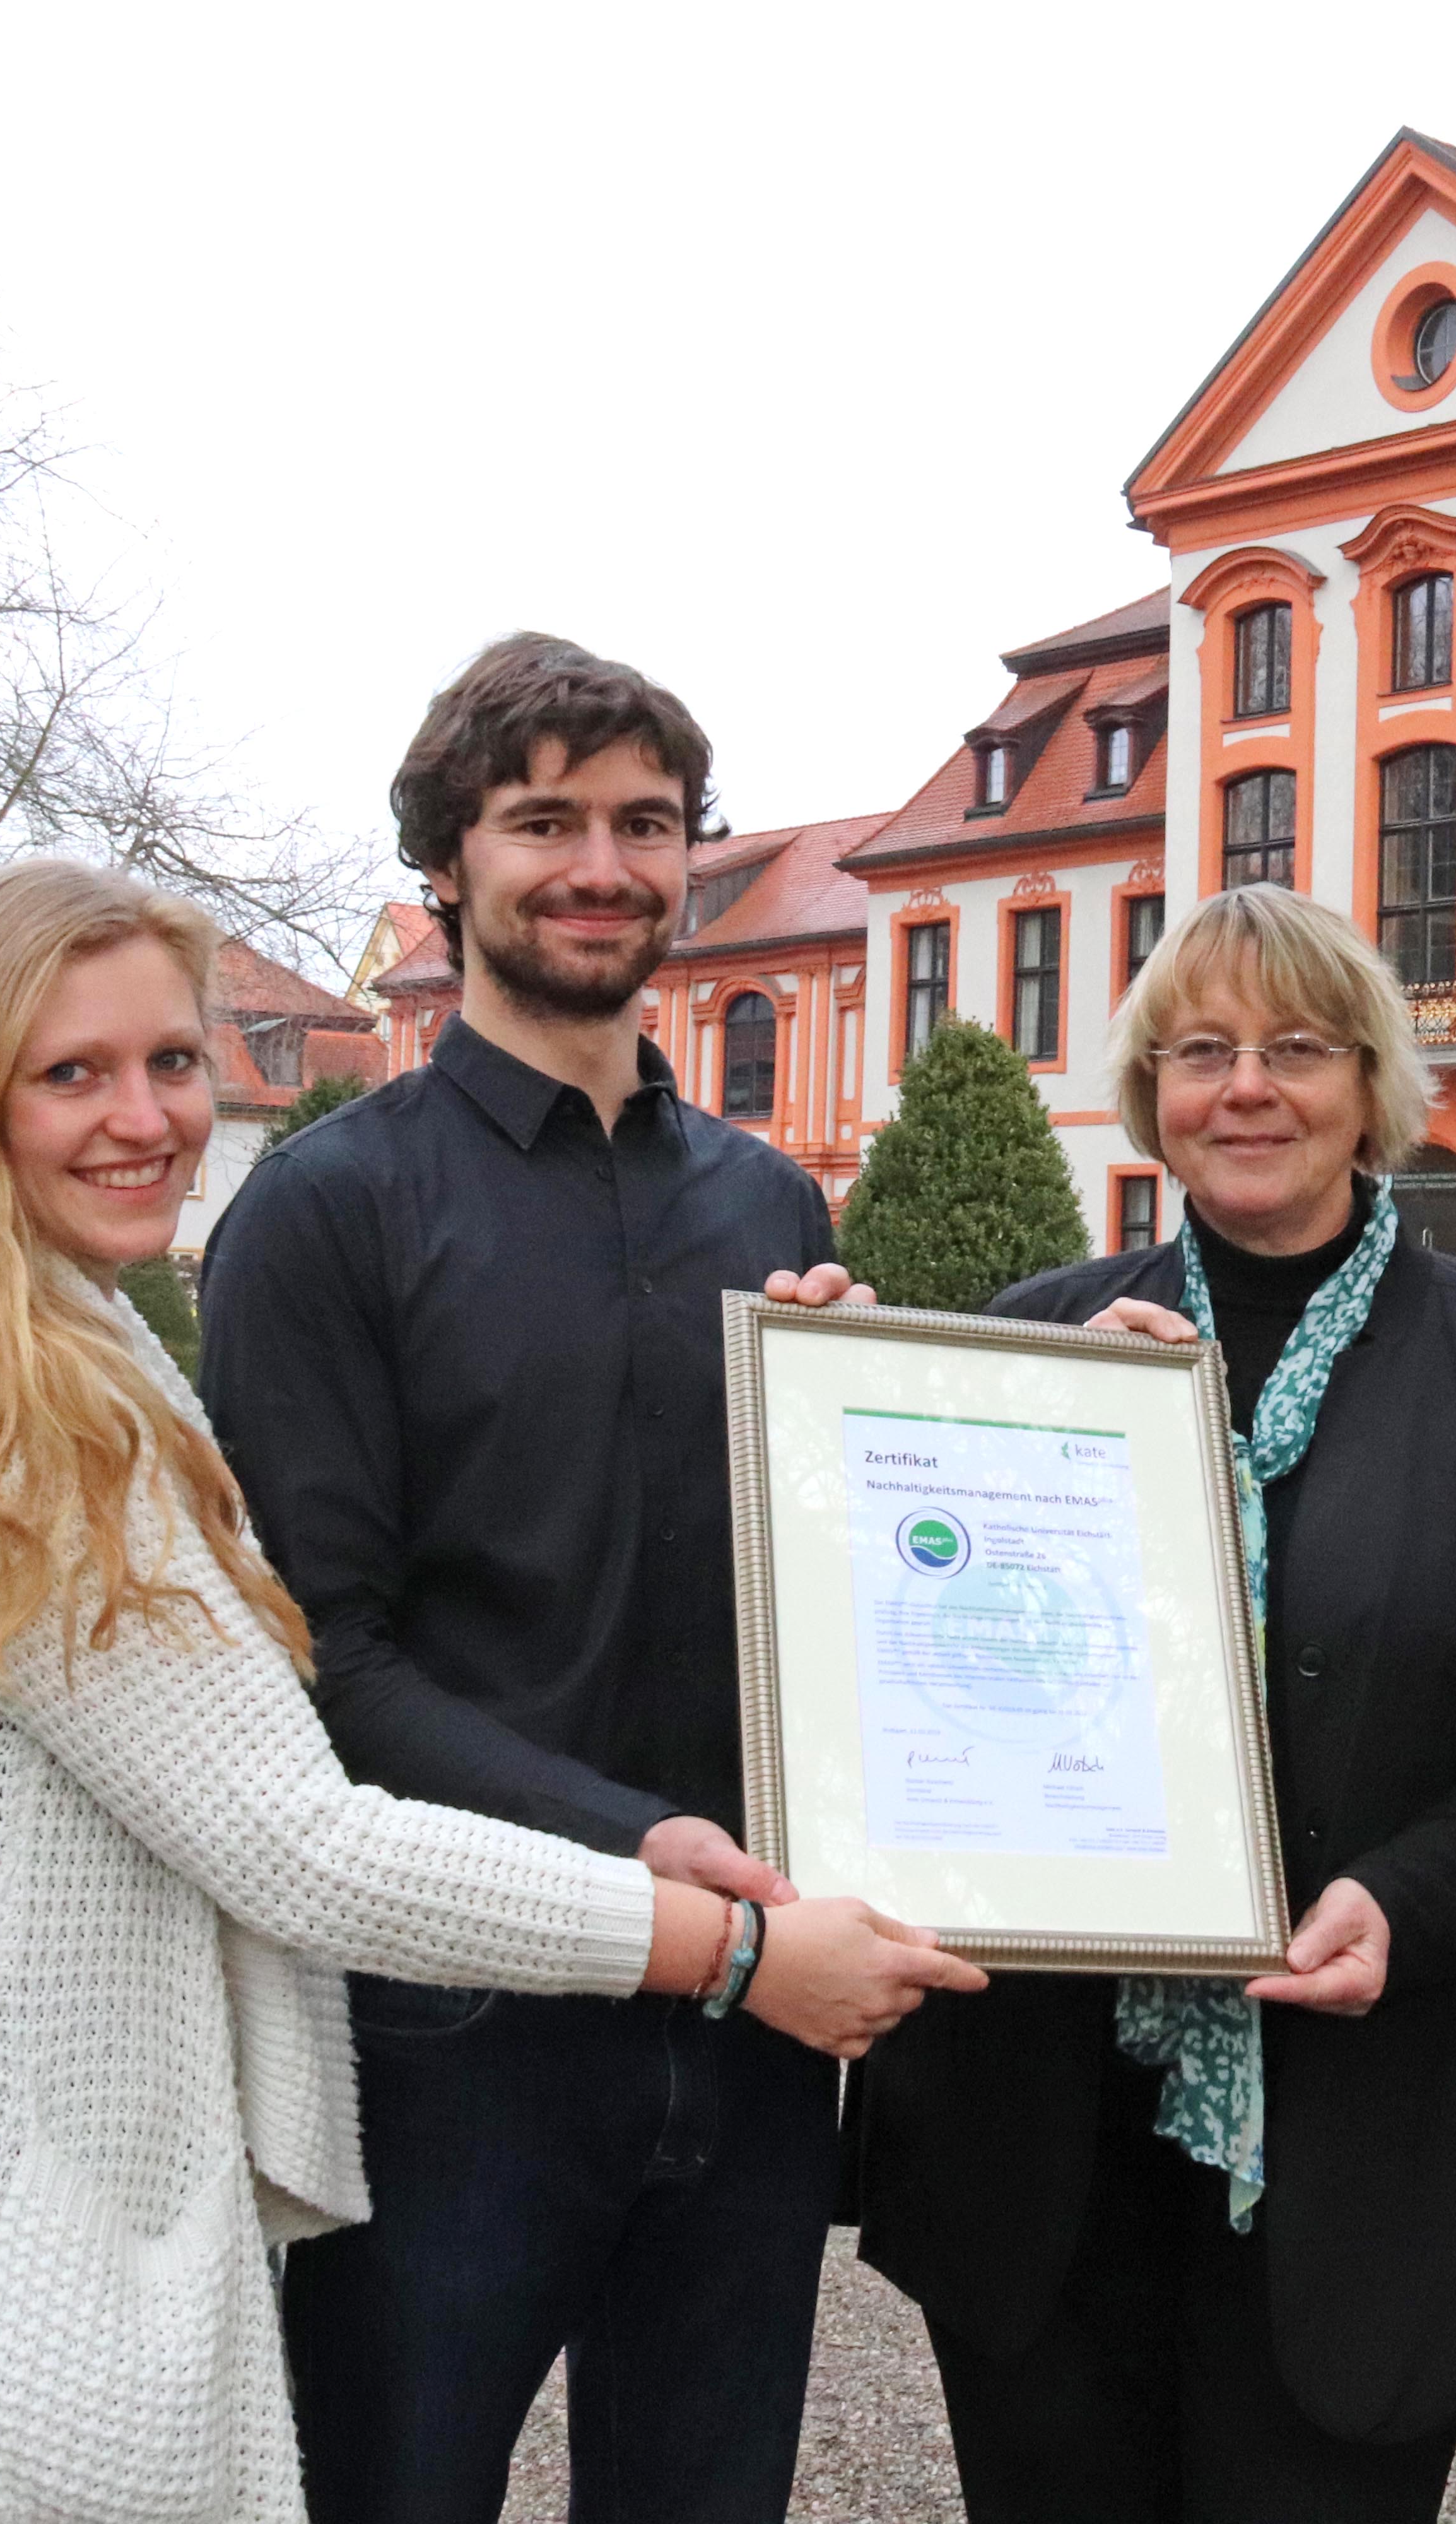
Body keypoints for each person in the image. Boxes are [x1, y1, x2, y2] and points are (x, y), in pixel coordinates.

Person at [0, 859, 968, 2524]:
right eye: (71, 1072)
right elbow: (297, 1847)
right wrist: (730, 1953)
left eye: (173, 1062)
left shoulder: (13, 1332)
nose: (146, 1119)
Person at [194, 636, 978, 2524]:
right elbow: (331, 1660)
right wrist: (642, 1856)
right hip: (450, 2023)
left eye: (645, 823)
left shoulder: (771, 1205)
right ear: (446, 864)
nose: (602, 866)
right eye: (543, 822)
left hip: (754, 2028)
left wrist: (923, 1433)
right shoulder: (326, 1210)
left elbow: (826, 1610)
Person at [850, 880, 1456, 2523]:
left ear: (1371, 1085)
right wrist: (833, 1408)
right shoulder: (1038, 1343)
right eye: (1201, 1051)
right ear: (1153, 1092)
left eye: (1298, 1046)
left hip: (1369, 2138)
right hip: (1048, 2139)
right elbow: (917, 1666)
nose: (1248, 1088)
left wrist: (1403, 1900)